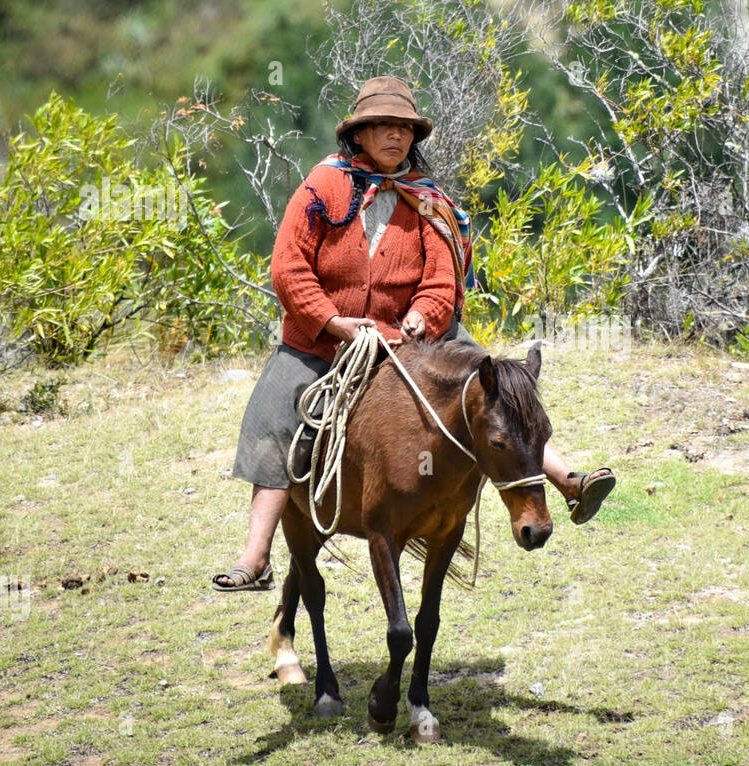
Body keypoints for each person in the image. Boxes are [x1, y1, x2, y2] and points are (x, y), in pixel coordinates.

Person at [213, 76, 615, 590]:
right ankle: (257, 556)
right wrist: (333, 321)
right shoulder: (321, 186)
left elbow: (442, 275)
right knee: (273, 416)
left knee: (499, 392)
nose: (394, 136)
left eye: (403, 128)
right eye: (381, 126)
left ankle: (568, 482)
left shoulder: (427, 197)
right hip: (324, 336)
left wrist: (425, 314)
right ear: (357, 135)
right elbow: (289, 268)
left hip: (416, 337)